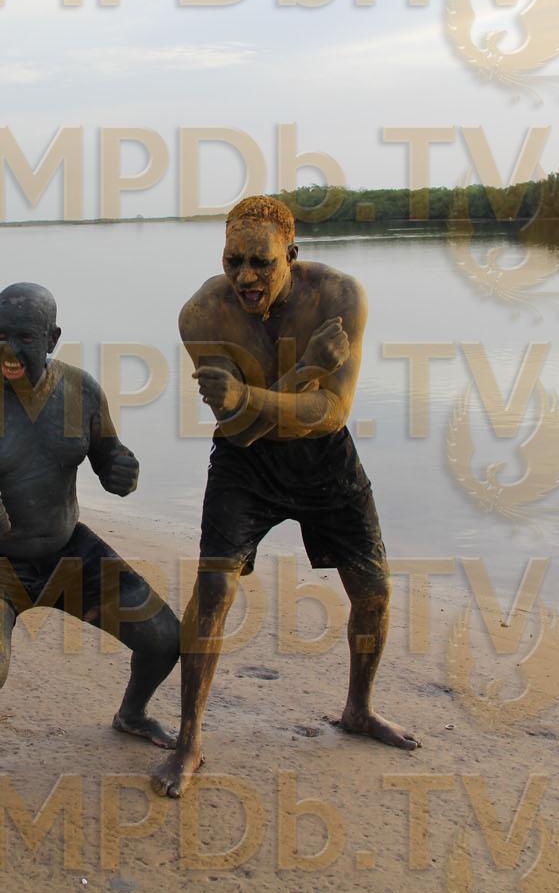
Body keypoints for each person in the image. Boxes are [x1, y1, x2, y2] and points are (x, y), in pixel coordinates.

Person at [153, 196, 418, 800]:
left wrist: (252, 397)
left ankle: (358, 708)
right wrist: (303, 373)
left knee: (373, 591)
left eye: (261, 263)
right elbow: (239, 428)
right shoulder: (202, 315)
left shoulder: (340, 298)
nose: (245, 277)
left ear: (291, 256)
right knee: (214, 589)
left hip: (325, 457)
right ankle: (188, 740)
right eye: (233, 262)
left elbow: (331, 412)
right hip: (245, 464)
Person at [0, 283, 180, 797]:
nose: (8, 350)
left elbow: (110, 462)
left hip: (67, 551)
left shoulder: (81, 393)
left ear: (52, 338)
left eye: (24, 338)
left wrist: (123, 473)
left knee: (165, 638)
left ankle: (132, 714)